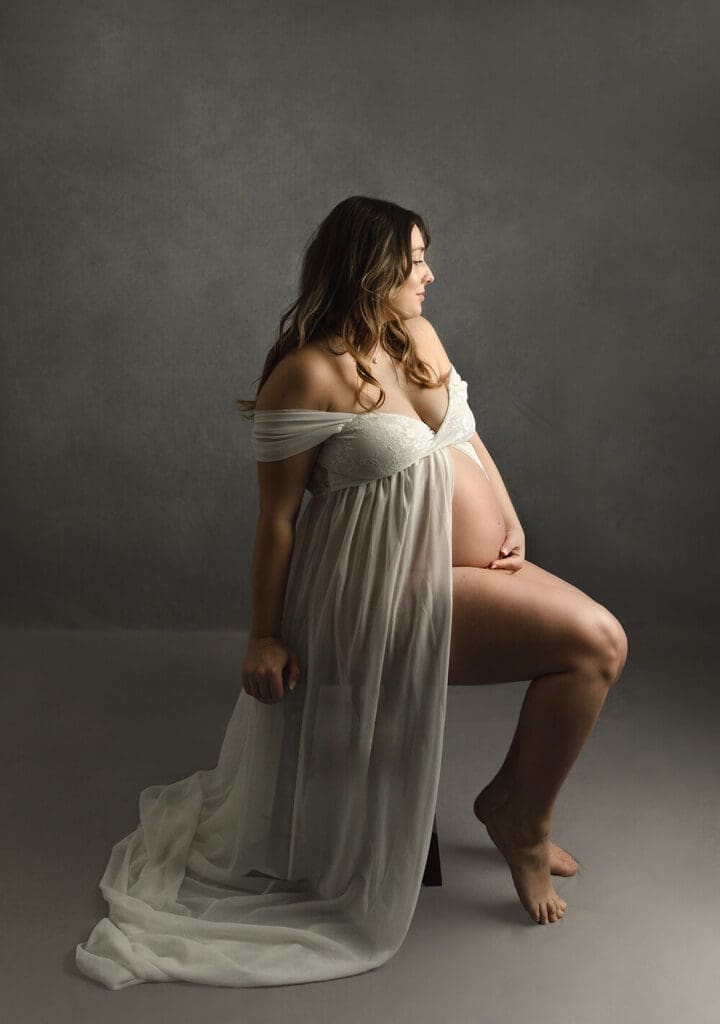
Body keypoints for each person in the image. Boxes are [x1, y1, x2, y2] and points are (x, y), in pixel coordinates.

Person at [75, 195, 628, 991]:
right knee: (598, 640)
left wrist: (506, 517)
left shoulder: (417, 337)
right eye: (414, 263)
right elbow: (276, 522)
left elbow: (466, 434)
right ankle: (521, 822)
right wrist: (262, 637)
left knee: (597, 650)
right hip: (380, 592)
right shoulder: (306, 373)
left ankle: (514, 808)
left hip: (467, 569)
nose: (429, 275)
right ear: (368, 269)